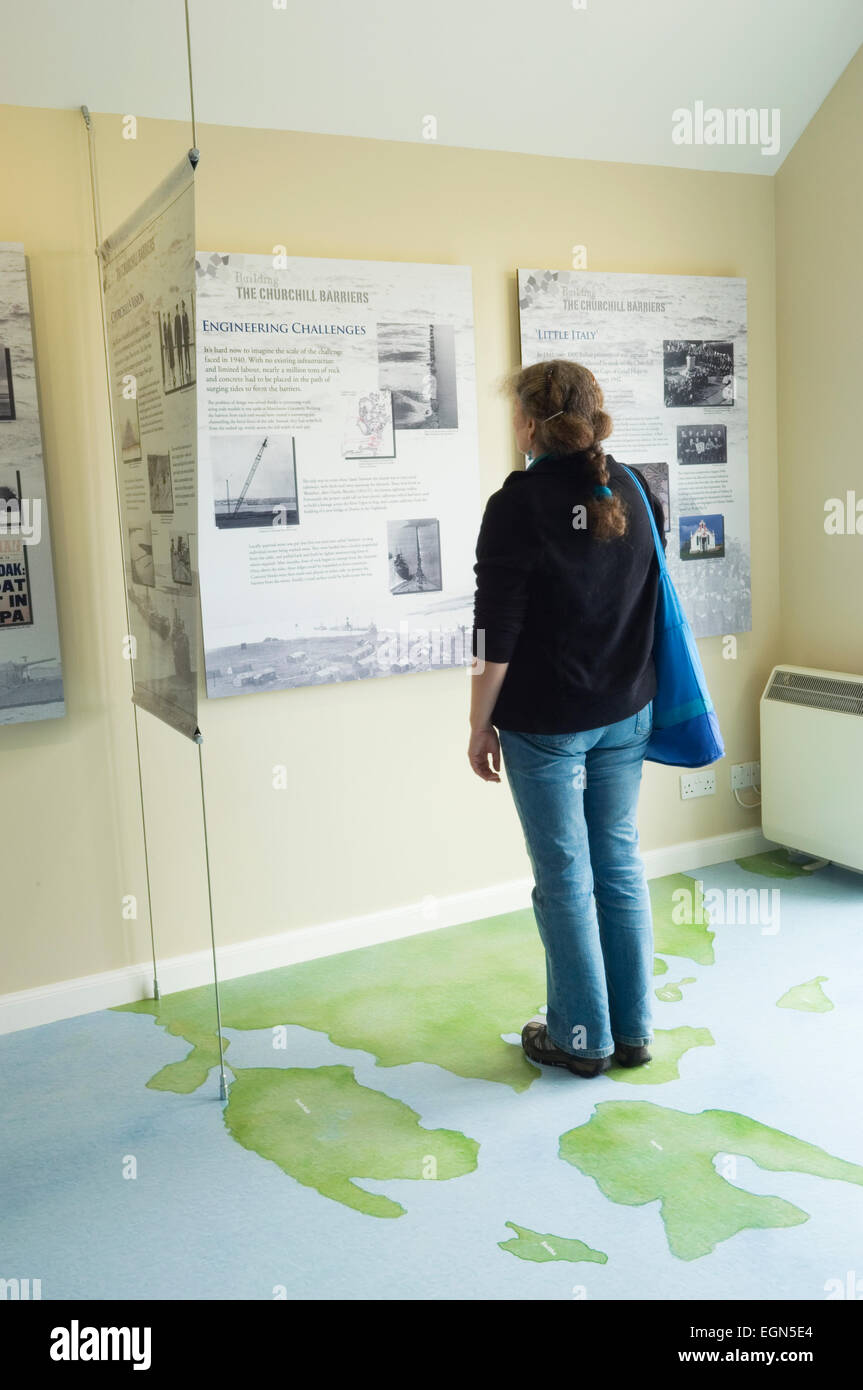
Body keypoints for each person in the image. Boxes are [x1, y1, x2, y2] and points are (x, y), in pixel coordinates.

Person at [468, 359, 666, 1078]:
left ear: (528, 423)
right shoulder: (635, 488)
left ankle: (580, 1038)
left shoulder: (515, 504)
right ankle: (632, 1031)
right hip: (627, 710)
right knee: (616, 864)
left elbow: (494, 634)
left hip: (547, 724)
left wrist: (477, 722)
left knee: (563, 876)